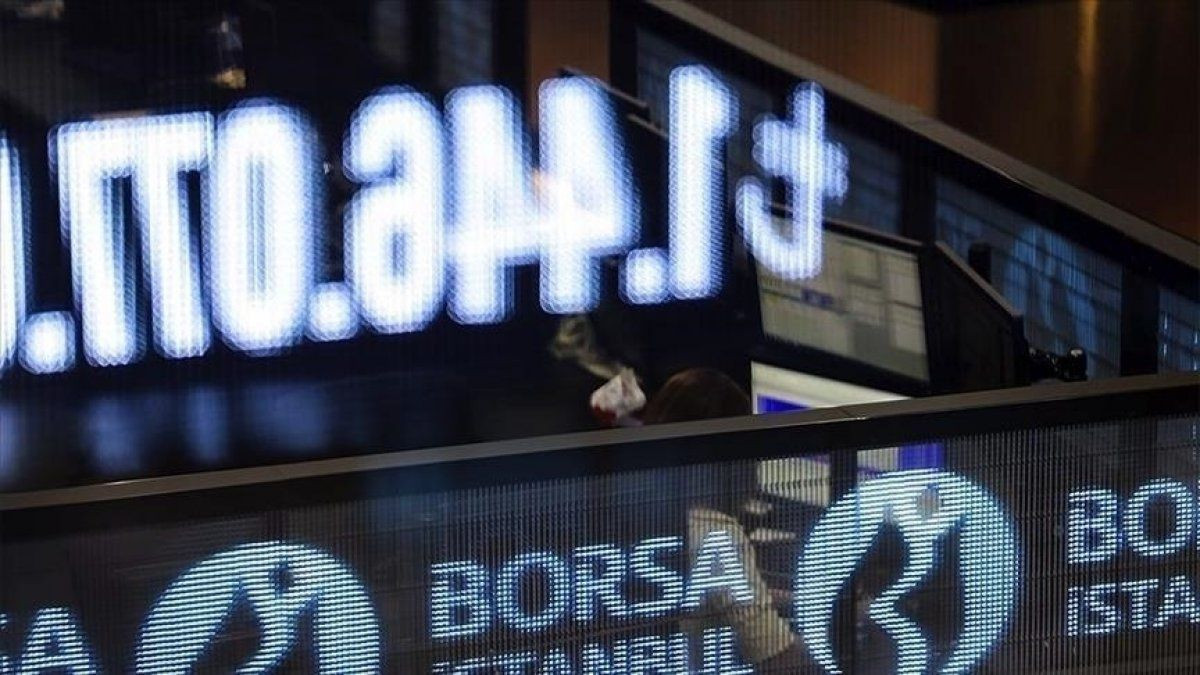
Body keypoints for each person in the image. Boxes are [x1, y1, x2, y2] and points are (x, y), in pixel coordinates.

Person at [642, 368, 811, 672]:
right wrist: (845, 642)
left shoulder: (643, 508)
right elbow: (779, 659)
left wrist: (803, 600)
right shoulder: (716, 536)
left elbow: (718, 594)